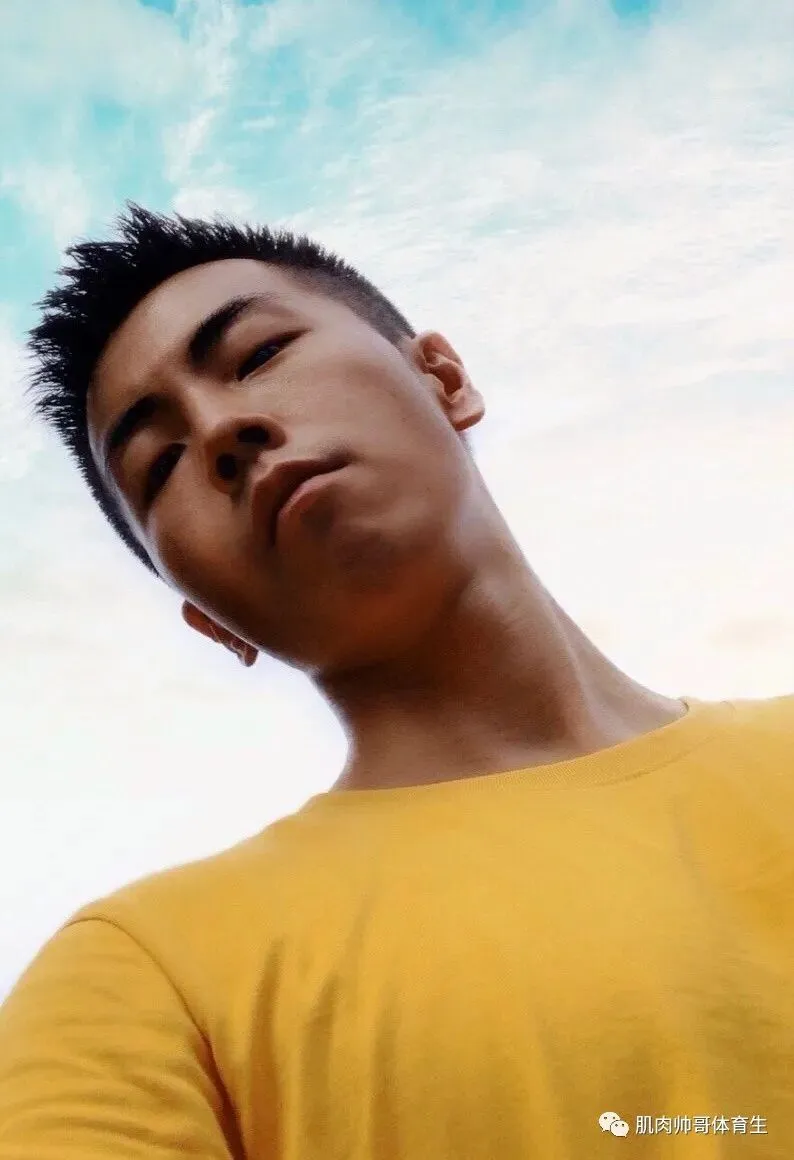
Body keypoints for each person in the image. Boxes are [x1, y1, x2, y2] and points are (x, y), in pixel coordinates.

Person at [1, 203, 792, 1159]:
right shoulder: (146, 977)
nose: (220, 430)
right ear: (209, 619)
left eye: (257, 355)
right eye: (159, 463)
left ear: (443, 379)